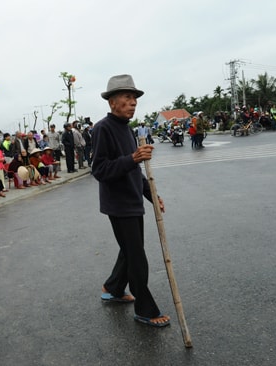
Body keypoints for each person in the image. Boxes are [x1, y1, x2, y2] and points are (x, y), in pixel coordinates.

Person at [91, 74, 169, 328]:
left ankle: (113, 288)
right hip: (119, 205)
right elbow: (100, 169)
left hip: (133, 200)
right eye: (127, 97)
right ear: (112, 102)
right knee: (137, 257)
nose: (133, 102)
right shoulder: (103, 128)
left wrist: (152, 196)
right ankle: (145, 310)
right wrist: (132, 158)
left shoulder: (127, 129)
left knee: (129, 250)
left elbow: (135, 170)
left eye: (134, 98)